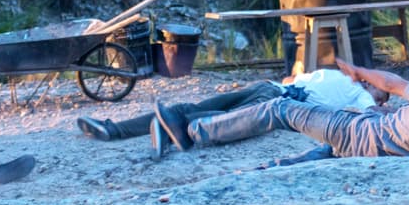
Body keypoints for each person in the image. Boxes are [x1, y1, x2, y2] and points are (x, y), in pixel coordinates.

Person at [152, 58, 409, 164]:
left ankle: (190, 132)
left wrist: (358, 72)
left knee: (280, 107)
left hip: (352, 134)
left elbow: (394, 83)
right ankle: (278, 168)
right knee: (319, 141)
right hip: (369, 150)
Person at [75, 67, 391, 144]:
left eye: (384, 93)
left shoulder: (360, 98)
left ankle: (119, 131)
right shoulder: (347, 81)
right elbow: (295, 75)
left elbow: (372, 115)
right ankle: (116, 129)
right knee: (195, 107)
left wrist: (388, 107)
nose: (380, 94)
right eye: (382, 90)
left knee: (211, 115)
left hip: (277, 98)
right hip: (269, 89)